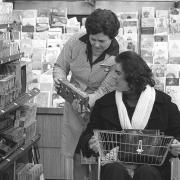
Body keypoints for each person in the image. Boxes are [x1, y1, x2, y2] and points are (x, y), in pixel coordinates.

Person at [80, 51, 180, 180]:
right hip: (114, 165)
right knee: (114, 170)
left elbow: (178, 132)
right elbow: (88, 134)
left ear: (133, 77)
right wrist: (90, 142)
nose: (113, 77)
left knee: (146, 171)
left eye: (118, 73)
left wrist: (177, 145)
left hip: (154, 168)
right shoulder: (104, 104)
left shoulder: (164, 104)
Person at [53, 8, 120, 179]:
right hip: (74, 108)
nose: (96, 44)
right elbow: (60, 66)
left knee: (100, 157)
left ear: (112, 38)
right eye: (93, 39)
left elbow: (104, 89)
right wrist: (60, 81)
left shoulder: (119, 55)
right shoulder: (75, 41)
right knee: (77, 156)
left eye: (102, 41)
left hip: (102, 111)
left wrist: (88, 100)